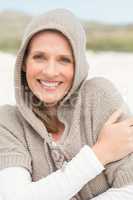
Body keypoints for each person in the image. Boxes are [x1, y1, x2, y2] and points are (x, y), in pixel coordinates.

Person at [0, 8, 133, 200]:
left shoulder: (99, 97)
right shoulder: (7, 122)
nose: (51, 71)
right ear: (23, 62)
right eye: (40, 57)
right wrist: (99, 154)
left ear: (78, 66)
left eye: (64, 60)